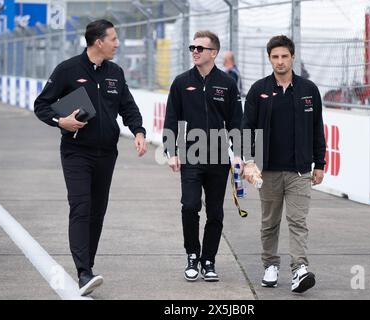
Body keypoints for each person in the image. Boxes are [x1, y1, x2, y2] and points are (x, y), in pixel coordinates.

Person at [34, 19, 147, 296]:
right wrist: (61, 121)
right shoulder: (67, 70)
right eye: (114, 39)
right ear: (99, 41)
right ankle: (83, 270)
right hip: (76, 152)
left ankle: (88, 267)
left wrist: (139, 131)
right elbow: (41, 105)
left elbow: (128, 106)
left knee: (97, 212)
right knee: (81, 207)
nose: (117, 43)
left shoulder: (115, 73)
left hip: (107, 153)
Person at [241, 35, 326, 293]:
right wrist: (248, 161)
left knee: (298, 221)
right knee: (270, 222)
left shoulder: (309, 90)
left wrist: (319, 163)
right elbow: (246, 127)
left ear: (292, 58)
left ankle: (299, 269)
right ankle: (270, 265)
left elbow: (317, 129)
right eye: (275, 57)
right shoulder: (259, 90)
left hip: (300, 170)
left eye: (284, 56)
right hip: (267, 171)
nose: (280, 61)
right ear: (270, 59)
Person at [163, 31, 243, 282]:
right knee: (189, 206)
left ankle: (209, 260)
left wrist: (240, 155)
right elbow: (171, 118)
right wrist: (171, 151)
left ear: (213, 53)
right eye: (192, 47)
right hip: (191, 156)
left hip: (219, 159)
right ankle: (192, 255)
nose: (195, 51)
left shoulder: (228, 84)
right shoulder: (180, 82)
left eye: (200, 48)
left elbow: (236, 122)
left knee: (216, 212)